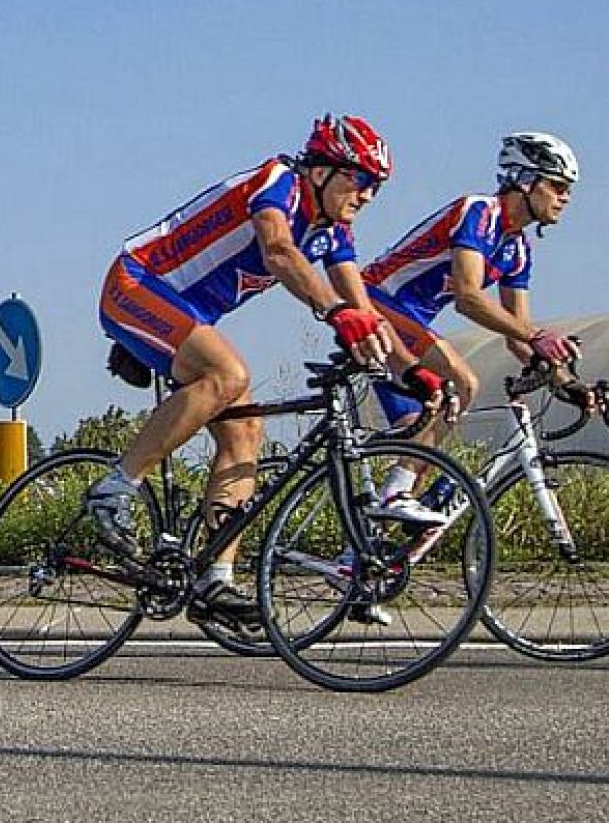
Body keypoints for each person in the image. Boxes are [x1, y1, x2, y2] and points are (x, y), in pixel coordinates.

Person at [87, 115, 445, 628]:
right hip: (137, 284)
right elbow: (279, 251)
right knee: (228, 375)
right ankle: (115, 489)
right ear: (323, 170)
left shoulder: (332, 231)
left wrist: (408, 372)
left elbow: (360, 307)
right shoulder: (280, 183)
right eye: (361, 180)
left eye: (377, 188)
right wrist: (332, 312)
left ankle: (216, 580)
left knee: (247, 430)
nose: (367, 196)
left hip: (187, 315)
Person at [362, 131, 583, 511]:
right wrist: (537, 336)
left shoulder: (517, 251)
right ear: (526, 180)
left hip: (410, 323)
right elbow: (468, 297)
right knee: (463, 383)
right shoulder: (479, 212)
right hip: (376, 303)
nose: (566, 198)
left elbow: (519, 335)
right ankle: (392, 497)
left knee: (421, 446)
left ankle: (362, 557)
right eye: (558, 186)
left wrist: (571, 383)